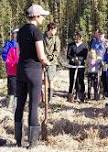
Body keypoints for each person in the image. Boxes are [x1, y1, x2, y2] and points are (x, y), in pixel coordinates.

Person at [15, 4, 50, 148]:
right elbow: (41, 56)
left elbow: (18, 52)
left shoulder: (21, 31)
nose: (43, 18)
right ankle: (32, 142)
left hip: (21, 70)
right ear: (35, 16)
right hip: (34, 71)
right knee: (33, 106)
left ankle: (18, 140)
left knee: (20, 104)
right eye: (41, 15)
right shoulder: (36, 32)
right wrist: (47, 62)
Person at [67, 31, 88, 102]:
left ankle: (82, 95)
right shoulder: (71, 45)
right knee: (72, 80)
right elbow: (68, 55)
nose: (76, 37)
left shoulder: (84, 46)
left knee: (80, 80)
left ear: (81, 37)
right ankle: (71, 95)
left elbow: (85, 56)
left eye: (78, 36)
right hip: (72, 65)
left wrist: (79, 60)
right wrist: (73, 59)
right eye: (75, 36)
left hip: (80, 65)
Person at [43, 22, 61, 103]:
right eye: (55, 30)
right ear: (51, 29)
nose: (56, 32)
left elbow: (57, 51)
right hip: (42, 60)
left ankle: (50, 99)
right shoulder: (42, 37)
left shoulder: (56, 38)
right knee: (42, 80)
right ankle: (43, 96)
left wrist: (52, 57)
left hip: (52, 62)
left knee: (51, 80)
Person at [3, 28, 19, 110]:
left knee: (17, 87)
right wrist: (11, 62)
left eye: (17, 33)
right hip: (12, 70)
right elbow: (5, 56)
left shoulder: (21, 44)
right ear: (12, 34)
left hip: (19, 70)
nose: (15, 35)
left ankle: (16, 104)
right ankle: (10, 104)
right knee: (12, 86)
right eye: (15, 33)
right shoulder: (8, 44)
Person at [89, 30, 108, 98]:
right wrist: (94, 58)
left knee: (104, 76)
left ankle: (105, 92)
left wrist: (104, 60)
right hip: (96, 61)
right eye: (99, 35)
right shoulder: (94, 41)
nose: (100, 36)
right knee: (96, 77)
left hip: (104, 61)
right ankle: (96, 92)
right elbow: (92, 50)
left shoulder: (106, 42)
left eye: (102, 35)